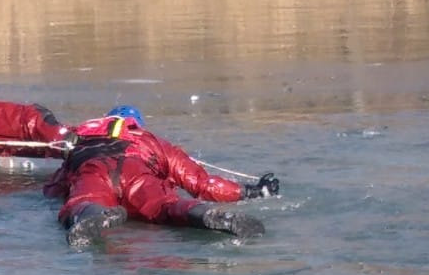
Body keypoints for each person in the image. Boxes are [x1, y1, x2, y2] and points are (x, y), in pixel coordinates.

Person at [44, 105, 280, 248]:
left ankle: (91, 216)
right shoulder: (151, 140)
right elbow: (201, 182)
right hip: (138, 170)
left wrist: (62, 195)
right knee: (166, 205)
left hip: (93, 167)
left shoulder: (82, 138)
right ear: (137, 123)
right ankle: (204, 214)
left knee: (83, 202)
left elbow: (54, 188)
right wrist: (251, 191)